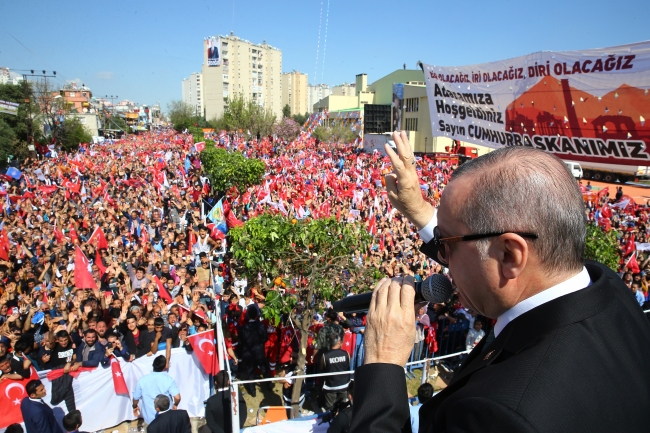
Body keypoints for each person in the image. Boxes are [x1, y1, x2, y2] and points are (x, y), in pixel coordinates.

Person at [350, 131, 650, 432]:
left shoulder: (498, 415)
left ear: (509, 255)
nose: (442, 257)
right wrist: (420, 211)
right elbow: (492, 267)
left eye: (447, 244)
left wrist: (382, 366)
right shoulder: (607, 288)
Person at [133, 355, 181, 425]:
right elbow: (177, 397)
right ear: (164, 367)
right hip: (166, 420)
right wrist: (175, 404)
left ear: (153, 365)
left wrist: (134, 406)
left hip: (150, 420)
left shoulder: (142, 380)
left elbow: (136, 397)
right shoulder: (169, 380)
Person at [238, 307, 269, 397]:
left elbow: (240, 342)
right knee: (264, 369)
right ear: (256, 315)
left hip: (248, 353)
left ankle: (252, 391)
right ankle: (268, 385)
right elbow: (265, 338)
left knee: (250, 371)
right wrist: (259, 344)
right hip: (259, 351)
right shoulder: (261, 325)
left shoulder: (243, 328)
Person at [318, 334, 351, 411]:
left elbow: (321, 368)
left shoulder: (325, 355)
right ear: (339, 342)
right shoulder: (346, 354)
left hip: (330, 387)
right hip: (344, 386)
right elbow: (347, 366)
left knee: (330, 409)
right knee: (343, 408)